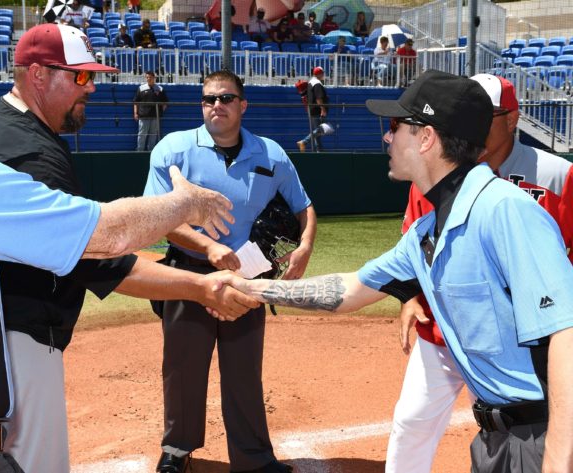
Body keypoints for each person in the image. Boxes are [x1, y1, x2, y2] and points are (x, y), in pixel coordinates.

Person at [217, 70, 573, 473]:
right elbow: (350, 289)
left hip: (544, 436)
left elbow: (566, 335)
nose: (388, 138)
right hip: (497, 438)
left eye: (396, 127)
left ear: (427, 139)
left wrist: (558, 462)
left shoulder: (506, 211)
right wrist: (251, 289)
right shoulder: (428, 229)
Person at [0, 26, 238, 473]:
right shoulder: (23, 152)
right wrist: (196, 264)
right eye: (79, 77)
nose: (91, 86)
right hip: (18, 344)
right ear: (38, 75)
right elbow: (102, 249)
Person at [385, 73, 573, 473]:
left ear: (512, 119)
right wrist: (408, 297)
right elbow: (413, 252)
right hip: (442, 332)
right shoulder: (431, 173)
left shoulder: (557, 174)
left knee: (513, 426)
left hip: (516, 344)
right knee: (412, 422)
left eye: (489, 114)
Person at [144, 69, 317, 473]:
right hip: (189, 275)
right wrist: (207, 246)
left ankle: (254, 459)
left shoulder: (270, 154)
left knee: (243, 370)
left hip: (247, 277)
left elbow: (303, 206)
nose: (216, 106)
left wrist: (305, 245)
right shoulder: (174, 150)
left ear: (242, 104)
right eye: (208, 99)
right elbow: (156, 218)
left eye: (225, 98)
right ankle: (177, 452)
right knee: (183, 368)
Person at [297, 66, 330, 152]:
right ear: (319, 74)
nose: (323, 74)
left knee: (317, 133)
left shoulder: (311, 82)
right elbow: (319, 98)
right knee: (322, 128)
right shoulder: (317, 83)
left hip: (311, 110)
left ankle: (319, 151)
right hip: (317, 111)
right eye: (323, 73)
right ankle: (304, 142)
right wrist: (323, 109)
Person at [133, 70, 168, 152]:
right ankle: (139, 151)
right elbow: (135, 102)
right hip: (143, 117)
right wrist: (135, 113)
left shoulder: (160, 89)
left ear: (154, 78)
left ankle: (150, 152)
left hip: (155, 117)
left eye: (150, 77)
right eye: (147, 77)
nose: (148, 79)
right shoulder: (141, 88)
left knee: (153, 136)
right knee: (142, 135)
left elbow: (165, 102)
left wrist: (160, 112)